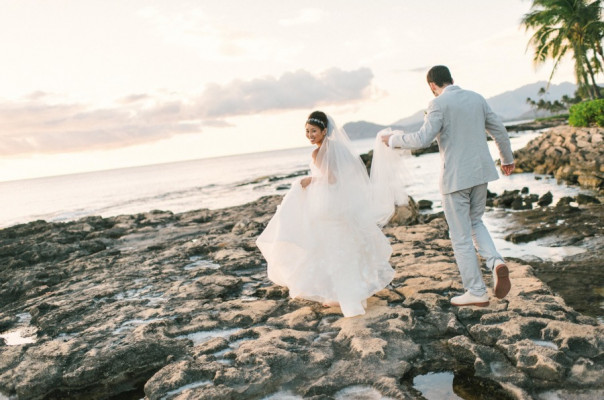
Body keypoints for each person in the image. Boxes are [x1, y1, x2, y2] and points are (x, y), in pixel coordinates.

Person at [382, 65, 514, 307]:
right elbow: (499, 130)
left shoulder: (438, 104)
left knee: (460, 236)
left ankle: (476, 292)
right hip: (481, 173)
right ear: (451, 79)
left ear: (432, 85)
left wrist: (392, 140)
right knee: (476, 222)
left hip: (455, 179)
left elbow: (422, 139)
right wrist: (507, 159)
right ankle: (495, 262)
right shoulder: (477, 98)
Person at [256, 111, 408, 317]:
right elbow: (346, 177)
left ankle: (350, 303)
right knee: (346, 250)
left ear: (324, 131)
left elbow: (331, 179)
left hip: (327, 208)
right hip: (343, 207)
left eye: (313, 131)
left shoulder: (318, 153)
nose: (310, 135)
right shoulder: (338, 149)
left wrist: (310, 180)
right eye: (307, 131)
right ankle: (353, 296)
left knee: (335, 253)